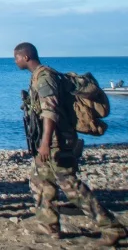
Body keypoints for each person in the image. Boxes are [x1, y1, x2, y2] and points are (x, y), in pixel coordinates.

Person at [14, 43, 126, 244]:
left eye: (17, 57)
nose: (16, 61)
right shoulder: (42, 76)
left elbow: (50, 111)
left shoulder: (45, 78)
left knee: (70, 186)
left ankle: (111, 227)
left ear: (27, 57)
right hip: (53, 139)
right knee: (39, 180)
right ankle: (49, 226)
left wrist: (46, 142)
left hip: (57, 140)